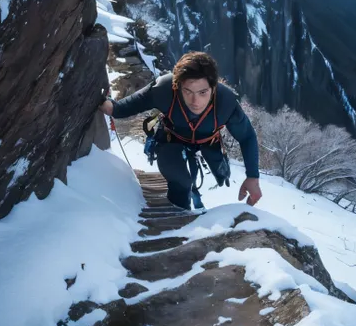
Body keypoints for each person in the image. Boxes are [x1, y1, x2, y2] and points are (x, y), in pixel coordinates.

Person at [100, 51, 262, 211]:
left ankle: (184, 207)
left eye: (202, 92)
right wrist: (109, 107)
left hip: (206, 143)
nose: (195, 101)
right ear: (177, 86)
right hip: (171, 140)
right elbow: (126, 107)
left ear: (213, 88)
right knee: (180, 181)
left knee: (197, 178)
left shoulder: (226, 103)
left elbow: (247, 136)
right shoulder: (164, 90)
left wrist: (253, 177)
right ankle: (179, 216)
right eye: (188, 91)